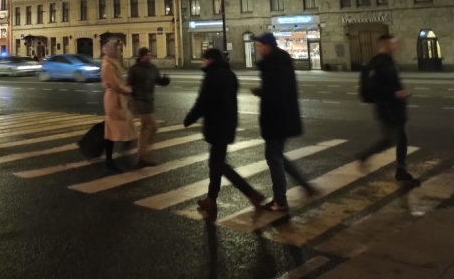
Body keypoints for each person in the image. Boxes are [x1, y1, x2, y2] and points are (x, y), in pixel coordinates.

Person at [184, 49, 264, 220]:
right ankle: (211, 199)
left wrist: (190, 118)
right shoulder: (230, 74)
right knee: (216, 164)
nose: (203, 63)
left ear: (210, 59)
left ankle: (252, 194)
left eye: (204, 60)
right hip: (228, 124)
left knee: (218, 165)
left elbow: (203, 101)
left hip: (216, 125)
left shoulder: (212, 75)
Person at [251, 33, 316, 212]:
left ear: (268, 46)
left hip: (276, 119)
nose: (258, 49)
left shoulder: (274, 65)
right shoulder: (281, 62)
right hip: (283, 118)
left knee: (274, 157)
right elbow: (278, 90)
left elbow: (276, 94)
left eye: (260, 46)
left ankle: (280, 200)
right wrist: (263, 91)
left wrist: (262, 92)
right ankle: (305, 185)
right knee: (277, 156)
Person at [357, 35, 420, 187]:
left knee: (392, 139)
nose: (395, 47)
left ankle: (366, 157)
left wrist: (399, 93)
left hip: (392, 107)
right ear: (385, 45)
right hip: (388, 108)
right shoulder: (379, 63)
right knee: (398, 139)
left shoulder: (386, 61)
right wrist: (395, 94)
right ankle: (400, 172)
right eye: (392, 44)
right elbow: (372, 87)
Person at [126, 47, 169, 167]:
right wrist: (132, 96)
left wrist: (164, 81)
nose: (149, 57)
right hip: (139, 101)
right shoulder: (135, 69)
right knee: (152, 126)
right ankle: (144, 154)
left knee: (144, 128)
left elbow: (157, 80)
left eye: (150, 55)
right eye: (146, 55)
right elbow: (128, 84)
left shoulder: (152, 68)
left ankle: (142, 156)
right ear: (141, 57)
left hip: (149, 100)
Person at [101, 40, 137, 174]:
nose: (120, 52)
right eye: (118, 49)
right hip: (113, 100)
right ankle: (109, 161)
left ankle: (120, 155)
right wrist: (130, 90)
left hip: (119, 98)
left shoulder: (114, 63)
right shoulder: (107, 65)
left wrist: (127, 90)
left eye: (120, 49)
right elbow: (115, 85)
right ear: (112, 50)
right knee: (112, 130)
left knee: (124, 126)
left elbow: (120, 82)